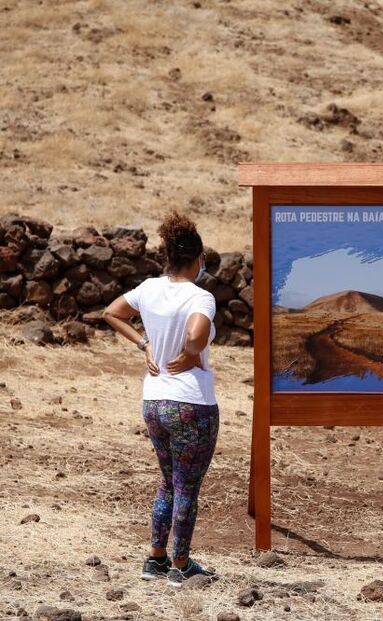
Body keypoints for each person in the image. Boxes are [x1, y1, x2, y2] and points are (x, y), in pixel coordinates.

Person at [103, 211, 219, 587]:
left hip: (154, 400)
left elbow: (111, 312)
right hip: (191, 404)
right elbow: (198, 332)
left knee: (168, 482)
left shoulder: (149, 288)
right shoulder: (201, 296)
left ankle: (155, 558)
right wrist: (191, 350)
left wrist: (144, 344)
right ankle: (180, 565)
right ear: (197, 260)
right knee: (187, 487)